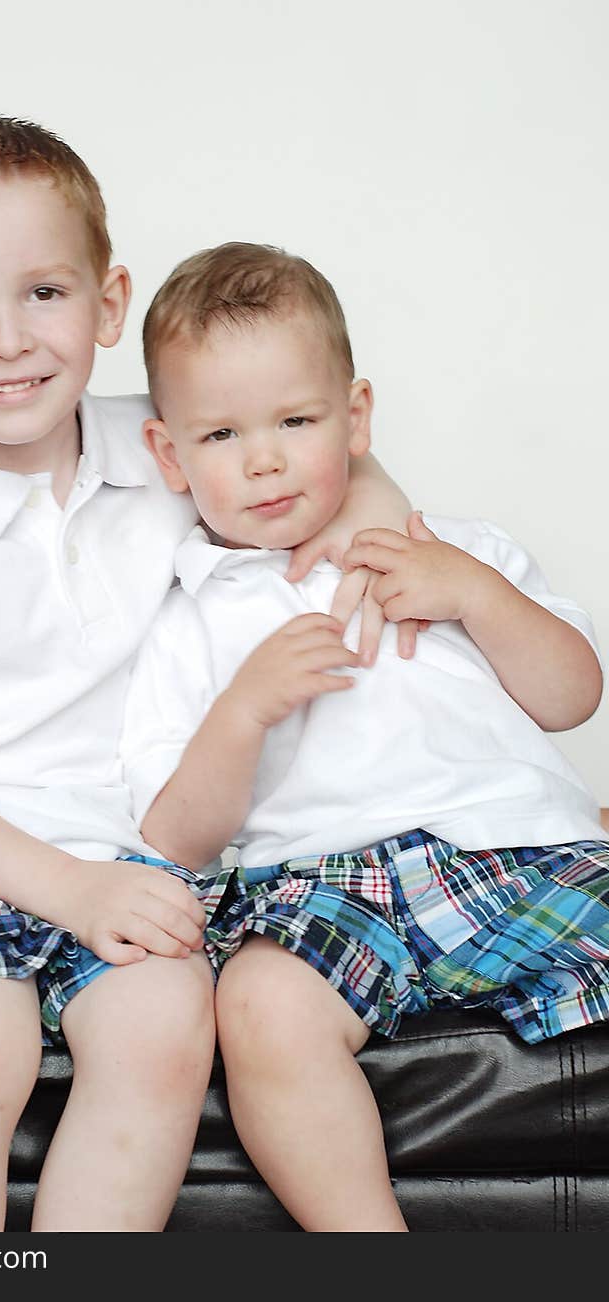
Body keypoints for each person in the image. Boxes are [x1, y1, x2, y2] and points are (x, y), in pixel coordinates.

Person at [0, 119, 410, 1233]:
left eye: (46, 293)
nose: (9, 339)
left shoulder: (162, 454)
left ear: (109, 306)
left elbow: (318, 464)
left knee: (167, 1023)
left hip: (110, 841)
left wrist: (384, 531)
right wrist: (68, 892)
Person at [121, 241, 609, 1232]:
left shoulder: (450, 544)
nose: (262, 459)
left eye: (296, 421)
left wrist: (474, 591)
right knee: (260, 1006)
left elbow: (572, 696)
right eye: (219, 434)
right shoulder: (189, 616)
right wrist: (242, 711)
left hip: (513, 849)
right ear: (169, 455)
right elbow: (175, 837)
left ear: (356, 418)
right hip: (327, 887)